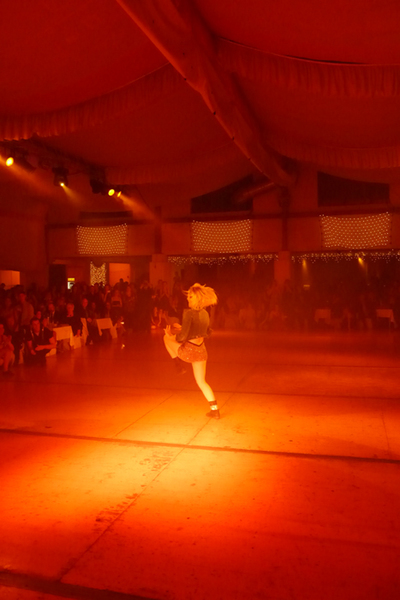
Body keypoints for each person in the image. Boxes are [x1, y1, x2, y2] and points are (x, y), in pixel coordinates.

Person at [163, 283, 220, 419]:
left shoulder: (188, 313)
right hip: (201, 352)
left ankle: (178, 365)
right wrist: (183, 328)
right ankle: (215, 410)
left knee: (166, 338)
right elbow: (207, 332)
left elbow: (183, 337)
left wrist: (172, 334)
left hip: (189, 352)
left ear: (196, 298)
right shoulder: (205, 314)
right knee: (202, 382)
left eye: (190, 297)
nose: (188, 299)